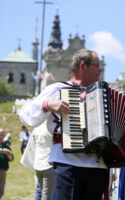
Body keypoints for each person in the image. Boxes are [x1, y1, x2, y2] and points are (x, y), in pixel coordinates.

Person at [19, 49, 107, 200]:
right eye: (97, 66)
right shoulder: (58, 89)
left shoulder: (103, 94)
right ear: (83, 66)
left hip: (96, 166)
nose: (100, 70)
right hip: (67, 163)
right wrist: (47, 105)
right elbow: (25, 114)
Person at [20, 121, 54, 200]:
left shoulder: (36, 129)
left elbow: (32, 147)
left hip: (38, 165)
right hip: (49, 165)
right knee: (47, 196)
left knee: (43, 194)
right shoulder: (52, 127)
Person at [0, 128, 14, 199]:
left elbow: (11, 158)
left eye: (2, 135)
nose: (1, 137)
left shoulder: (6, 145)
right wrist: (2, 150)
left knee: (1, 190)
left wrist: (9, 155)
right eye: (0, 135)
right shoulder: (3, 148)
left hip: (2, 171)